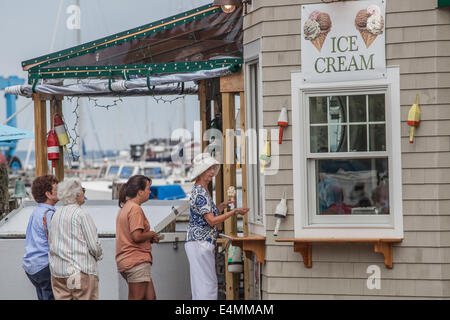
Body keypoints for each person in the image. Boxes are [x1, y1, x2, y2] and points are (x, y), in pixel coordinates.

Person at [185, 153, 249, 300]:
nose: (212, 172)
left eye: (213, 168)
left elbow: (208, 215)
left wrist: (221, 206)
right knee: (207, 285)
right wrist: (234, 212)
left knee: (203, 284)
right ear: (201, 172)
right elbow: (212, 221)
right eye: (209, 169)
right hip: (200, 242)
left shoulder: (201, 190)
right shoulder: (201, 192)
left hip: (198, 242)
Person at [48, 178, 103, 300]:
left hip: (58, 272)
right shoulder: (81, 215)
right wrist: (99, 255)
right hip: (79, 269)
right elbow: (93, 246)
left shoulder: (55, 215)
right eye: (83, 190)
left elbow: (51, 241)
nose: (84, 193)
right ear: (77, 193)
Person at [115, 175, 159, 300]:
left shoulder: (125, 207)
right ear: (140, 192)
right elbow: (136, 236)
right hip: (136, 260)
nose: (150, 192)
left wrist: (148, 238)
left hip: (127, 259)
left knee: (150, 297)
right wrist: (152, 234)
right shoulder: (135, 209)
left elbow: (131, 234)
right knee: (137, 297)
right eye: (148, 189)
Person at [22, 175, 59, 300]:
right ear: (48, 194)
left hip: (31, 265)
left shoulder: (36, 212)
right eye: (56, 189)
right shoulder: (49, 214)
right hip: (45, 265)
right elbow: (56, 241)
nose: (59, 192)